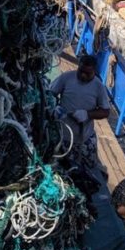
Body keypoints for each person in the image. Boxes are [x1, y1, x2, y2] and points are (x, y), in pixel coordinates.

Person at [50, 54, 111, 183]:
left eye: (87, 73)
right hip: (63, 135)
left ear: (94, 71)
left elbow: (105, 111)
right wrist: (54, 107)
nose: (83, 75)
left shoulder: (98, 86)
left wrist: (87, 114)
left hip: (85, 137)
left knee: (88, 171)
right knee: (60, 170)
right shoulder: (66, 78)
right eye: (81, 71)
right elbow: (50, 94)